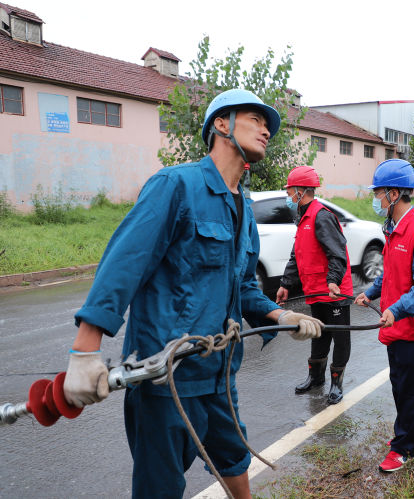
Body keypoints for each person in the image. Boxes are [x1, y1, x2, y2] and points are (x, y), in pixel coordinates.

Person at [62, 89, 324, 499]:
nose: (266, 129)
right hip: (166, 380)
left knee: (235, 458)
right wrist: (85, 349)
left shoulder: (244, 211)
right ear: (221, 124)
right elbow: (123, 264)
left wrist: (279, 316)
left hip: (219, 376)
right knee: (160, 487)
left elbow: (241, 288)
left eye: (268, 124)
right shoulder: (176, 186)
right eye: (255, 118)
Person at [354, 159, 414, 473]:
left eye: (378, 193)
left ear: (393, 194)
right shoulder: (394, 230)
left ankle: (406, 447)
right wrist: (372, 292)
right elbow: (391, 274)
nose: (375, 199)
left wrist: (396, 309)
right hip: (398, 327)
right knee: (401, 385)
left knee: (409, 389)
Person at [275, 165, 353, 404]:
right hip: (315, 291)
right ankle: (316, 379)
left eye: (290, 191)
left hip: (333, 292)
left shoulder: (322, 216)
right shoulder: (303, 218)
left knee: (340, 337)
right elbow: (296, 254)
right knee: (318, 334)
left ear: (301, 190)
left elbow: (337, 253)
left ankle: (336, 384)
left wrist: (333, 280)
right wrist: (286, 283)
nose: (288, 196)